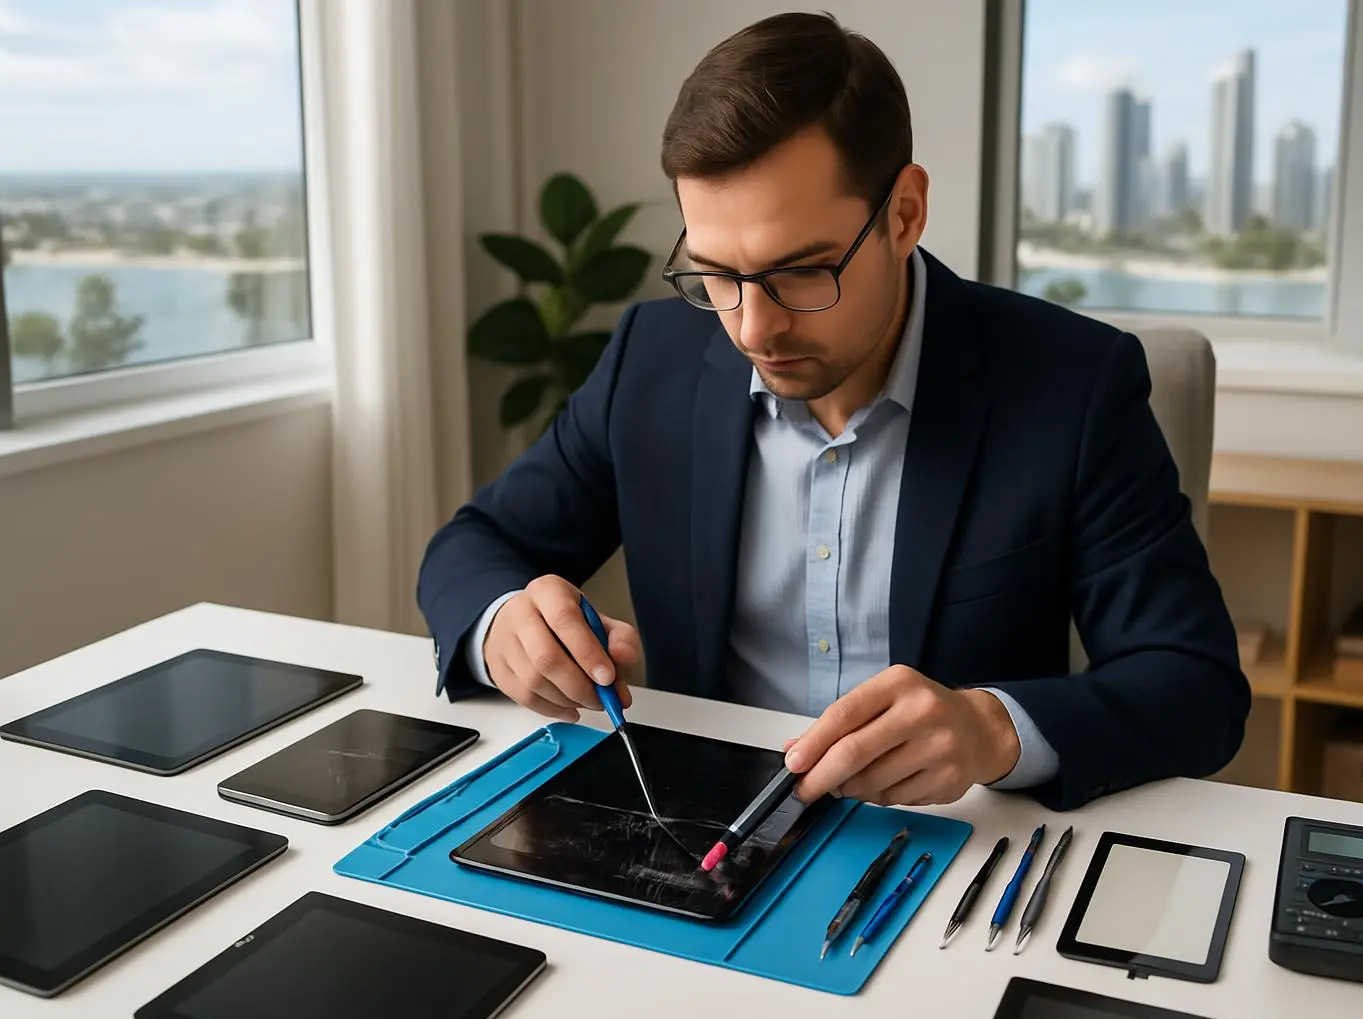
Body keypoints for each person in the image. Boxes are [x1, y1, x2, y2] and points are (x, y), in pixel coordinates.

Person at [417, 11, 1249, 813]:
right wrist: (501, 629)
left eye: (803, 271)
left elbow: (1194, 684)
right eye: (715, 273)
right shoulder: (653, 357)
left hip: (953, 850)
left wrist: (993, 729)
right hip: (703, 831)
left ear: (904, 214)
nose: (753, 325)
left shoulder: (1073, 383)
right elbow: (474, 546)